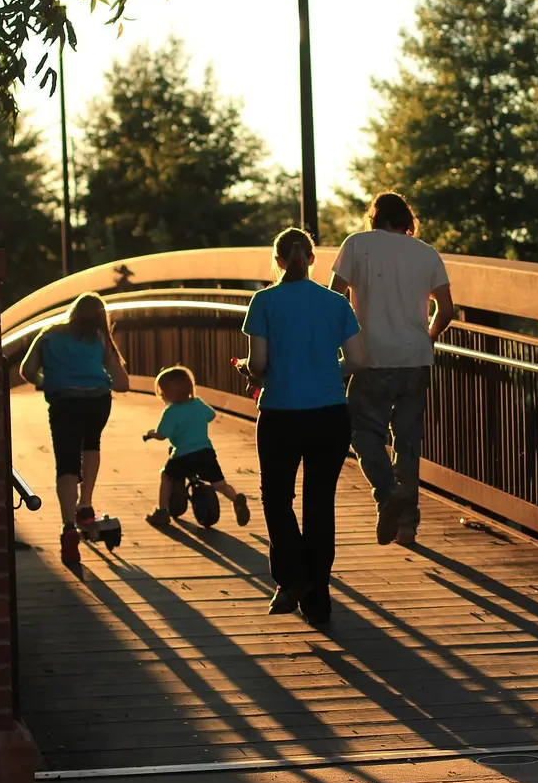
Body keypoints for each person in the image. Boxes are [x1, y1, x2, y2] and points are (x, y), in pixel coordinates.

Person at [237, 227, 366, 626]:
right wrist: (327, 369)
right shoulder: (335, 303)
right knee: (319, 504)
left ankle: (292, 577)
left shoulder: (264, 301)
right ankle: (318, 597)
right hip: (329, 414)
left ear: (277, 260)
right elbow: (358, 361)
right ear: (312, 260)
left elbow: (258, 363)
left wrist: (250, 371)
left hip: (281, 413)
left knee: (277, 499)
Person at [330, 191, 454, 547]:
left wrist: (341, 343)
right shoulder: (427, 253)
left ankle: (387, 495)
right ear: (407, 221)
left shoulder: (357, 245)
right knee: (408, 442)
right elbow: (446, 310)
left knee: (363, 433)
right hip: (415, 359)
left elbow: (334, 298)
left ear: (375, 217)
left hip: (371, 358)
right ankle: (408, 528)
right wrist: (427, 338)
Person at [20, 292, 130, 564]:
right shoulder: (100, 338)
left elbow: (26, 370)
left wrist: (48, 381)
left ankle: (69, 525)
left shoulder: (48, 334)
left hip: (64, 400)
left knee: (66, 462)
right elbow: (122, 383)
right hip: (97, 400)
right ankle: (86, 503)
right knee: (91, 444)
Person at [143, 365, 250, 528]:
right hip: (206, 453)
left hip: (183, 455)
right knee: (219, 484)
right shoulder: (198, 404)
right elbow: (211, 415)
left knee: (166, 476)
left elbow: (162, 435)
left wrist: (151, 434)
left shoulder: (170, 412)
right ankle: (236, 500)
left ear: (165, 392)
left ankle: (162, 512)